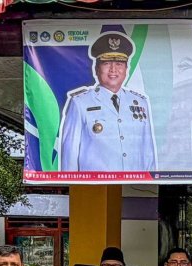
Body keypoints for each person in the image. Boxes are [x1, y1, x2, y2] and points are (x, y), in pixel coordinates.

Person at [58, 32, 156, 172]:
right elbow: (70, 152)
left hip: (134, 186)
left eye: (119, 63)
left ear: (126, 69)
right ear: (97, 69)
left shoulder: (140, 103)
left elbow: (148, 152)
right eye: (106, 63)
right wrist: (71, 186)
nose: (113, 69)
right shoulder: (80, 103)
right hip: (95, 187)